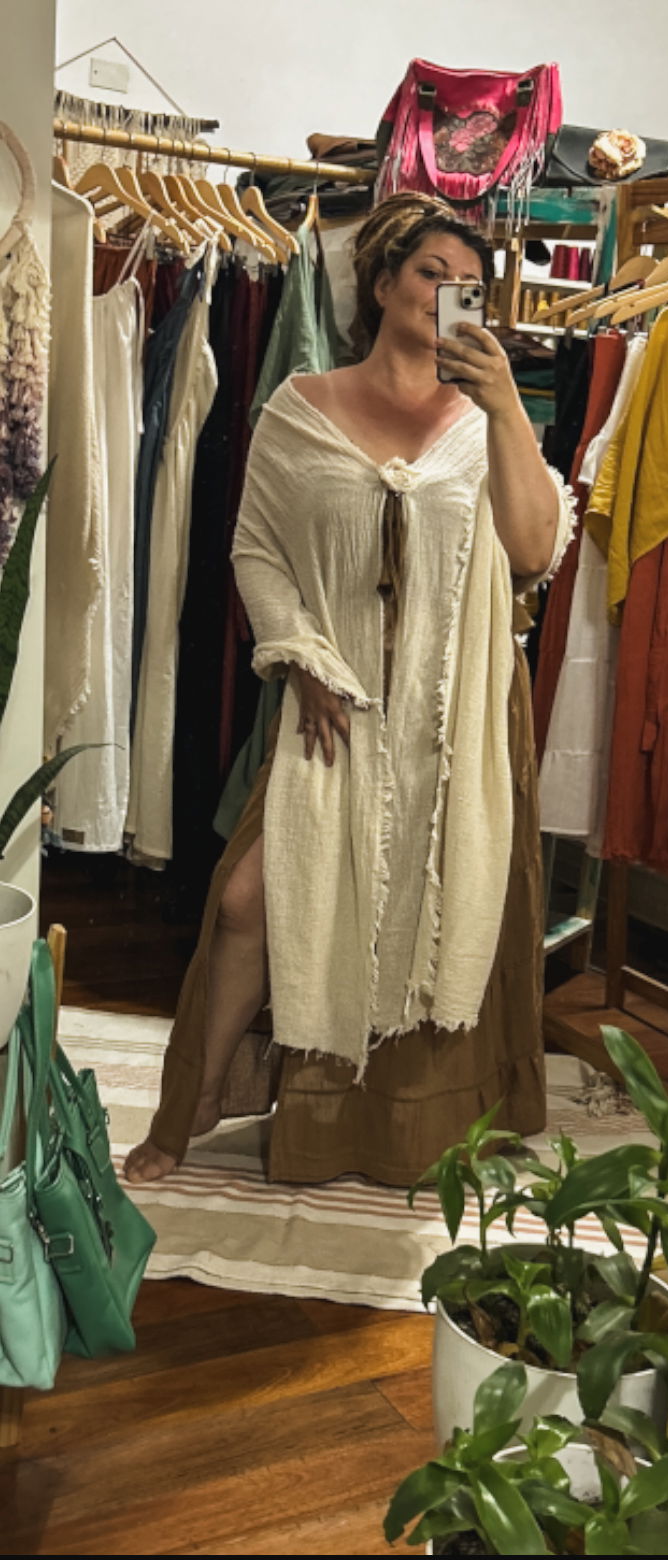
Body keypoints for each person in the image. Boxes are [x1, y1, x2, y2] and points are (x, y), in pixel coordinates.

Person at [125, 192, 571, 1186]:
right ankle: (200, 1097)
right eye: (431, 274)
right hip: (334, 706)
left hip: (455, 718)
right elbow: (256, 550)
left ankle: (398, 1126)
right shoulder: (303, 408)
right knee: (250, 900)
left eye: (469, 284)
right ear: (380, 284)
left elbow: (533, 551)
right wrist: (295, 651)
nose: (449, 294)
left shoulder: (484, 422)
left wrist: (507, 409)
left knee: (431, 913)